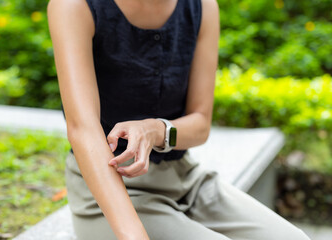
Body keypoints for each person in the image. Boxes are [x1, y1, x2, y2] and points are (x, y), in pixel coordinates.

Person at [47, 0, 311, 239]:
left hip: (186, 181)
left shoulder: (202, 6)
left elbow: (200, 125)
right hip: (107, 194)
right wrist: (134, 236)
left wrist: (155, 130)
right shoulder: (73, 6)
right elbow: (83, 129)